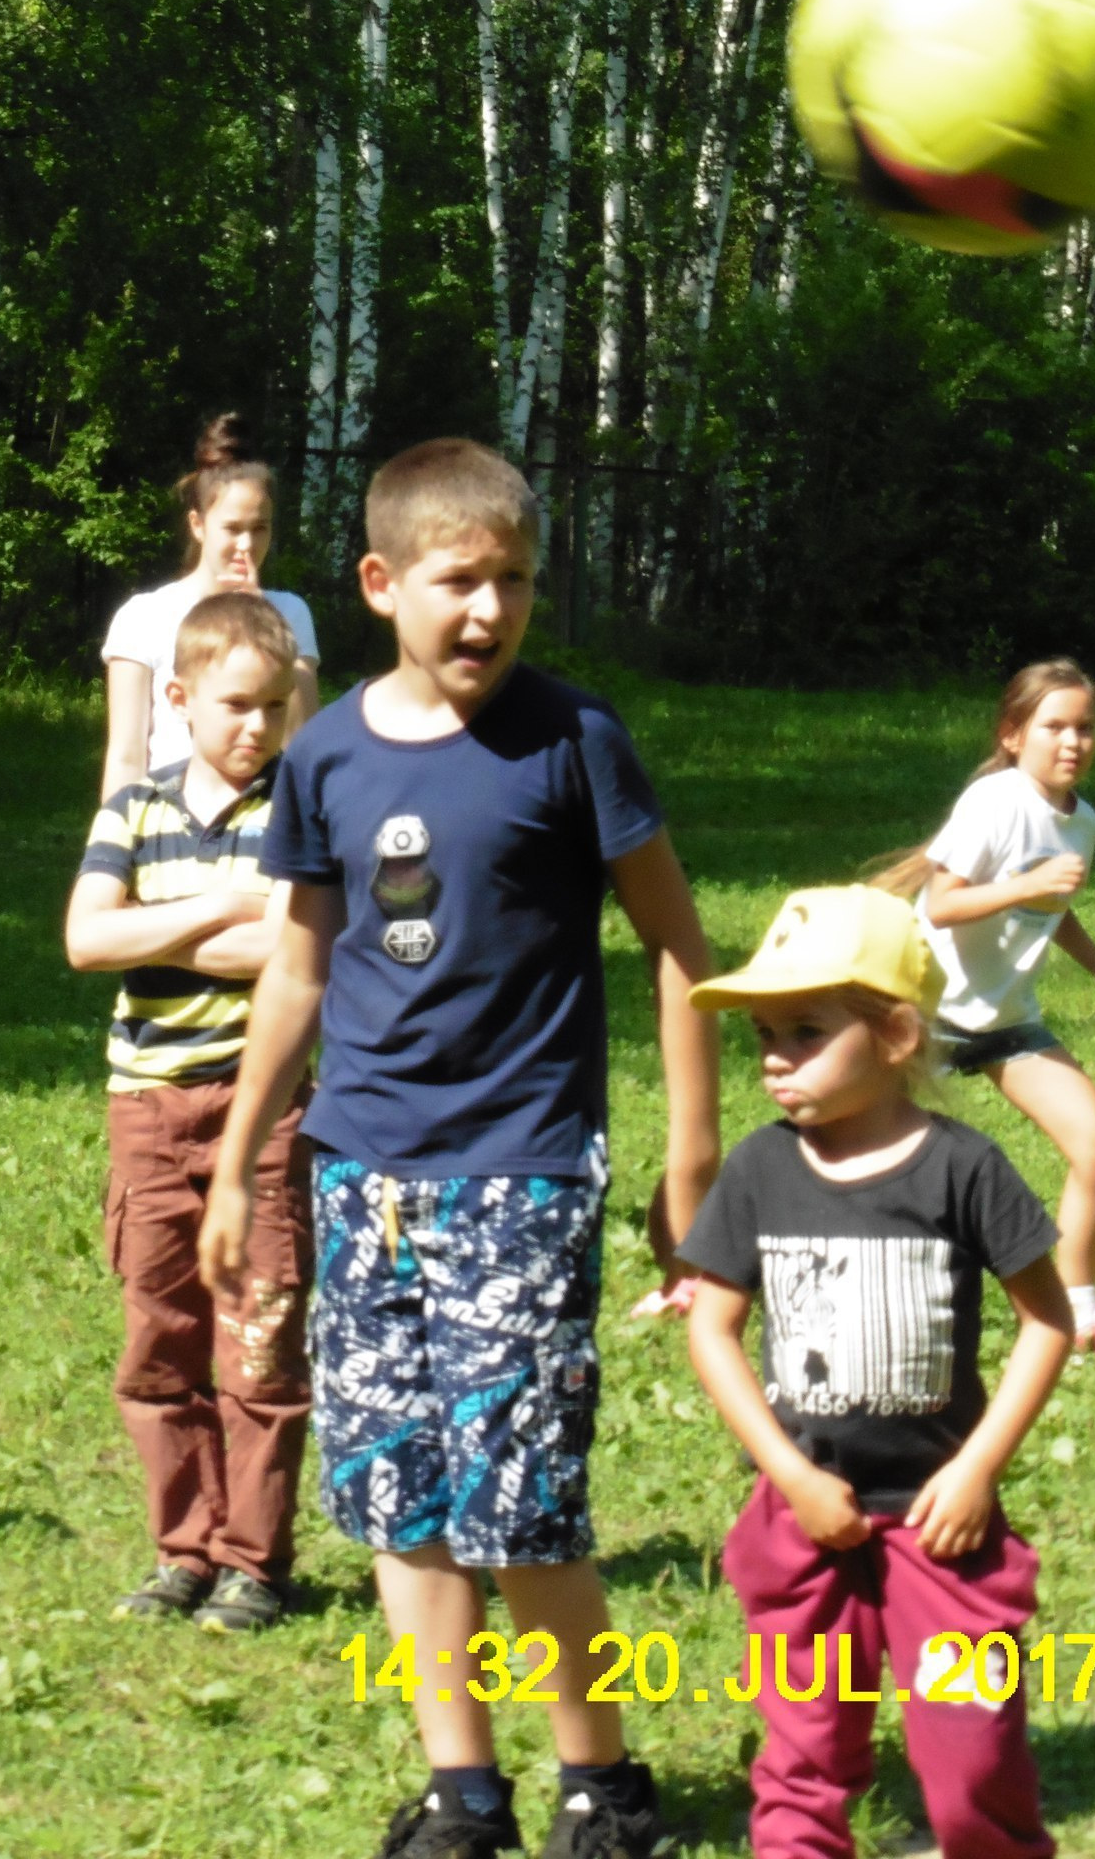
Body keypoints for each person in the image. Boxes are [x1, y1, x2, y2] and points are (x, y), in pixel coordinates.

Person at [199, 439, 721, 1859]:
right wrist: (251, 1158)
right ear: (380, 585)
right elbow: (298, 973)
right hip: (361, 1177)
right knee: (401, 1498)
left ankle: (601, 1785)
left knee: (525, 1503)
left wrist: (691, 1165)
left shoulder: (574, 741)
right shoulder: (325, 760)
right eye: (458, 582)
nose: (488, 611)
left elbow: (680, 948)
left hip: (522, 1173)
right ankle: (462, 1789)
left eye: (514, 583)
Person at [678, 884, 1073, 1859]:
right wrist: (791, 1476)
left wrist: (977, 1471)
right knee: (802, 1754)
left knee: (972, 1748)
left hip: (943, 1529)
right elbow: (712, 1332)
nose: (774, 1057)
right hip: (804, 1523)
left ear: (896, 1033)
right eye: (763, 1033)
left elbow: (1047, 1323)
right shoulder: (759, 1172)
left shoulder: (963, 1169)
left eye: (805, 1031)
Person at [66, 592, 311, 1633]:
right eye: (235, 708)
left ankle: (254, 1560)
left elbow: (301, 949)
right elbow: (85, 940)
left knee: (259, 1334)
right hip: (150, 1112)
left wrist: (155, 928)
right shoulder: (132, 809)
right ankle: (184, 1552)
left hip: (269, 1115)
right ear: (179, 700)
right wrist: (216, 910)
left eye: (272, 709)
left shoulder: (300, 813)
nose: (256, 729)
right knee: (158, 1338)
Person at [873, 658, 1095, 1363]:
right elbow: (943, 903)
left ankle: (1079, 1316)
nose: (1073, 743)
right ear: (1012, 735)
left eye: (1086, 728)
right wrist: (1028, 881)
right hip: (926, 1011)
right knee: (851, 1148)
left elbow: (1052, 907)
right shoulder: (997, 802)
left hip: (1004, 1020)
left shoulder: (1082, 821)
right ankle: (727, 1265)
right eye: (1054, 727)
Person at [99, 413, 322, 801]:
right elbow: (126, 756)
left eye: (260, 528)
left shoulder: (290, 613)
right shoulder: (143, 617)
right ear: (198, 525)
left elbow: (303, 743)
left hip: (262, 817)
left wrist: (262, 623)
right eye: (233, 529)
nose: (247, 545)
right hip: (166, 820)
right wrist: (112, 849)